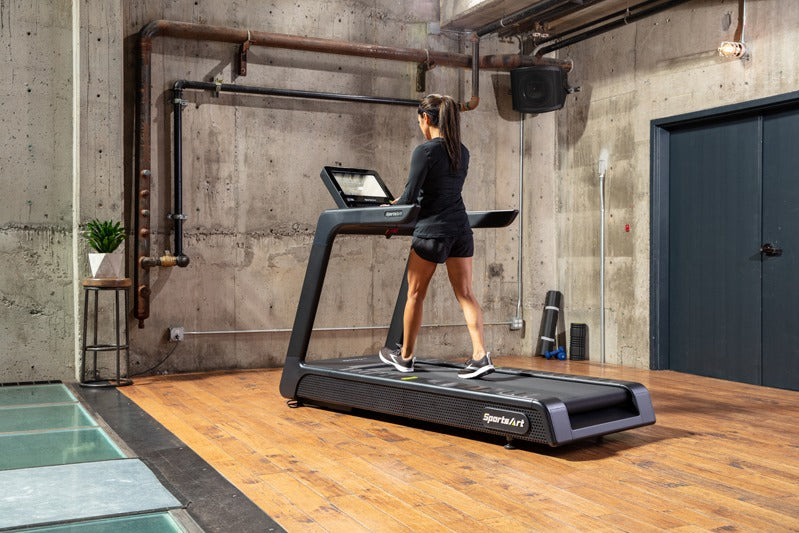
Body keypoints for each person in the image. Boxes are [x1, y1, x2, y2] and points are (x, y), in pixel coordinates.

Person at [378, 94, 494, 379]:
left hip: (431, 231)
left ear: (426, 119)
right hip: (460, 231)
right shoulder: (461, 151)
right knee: (466, 294)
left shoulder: (425, 151)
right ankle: (480, 355)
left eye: (419, 120)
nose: (420, 125)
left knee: (415, 294)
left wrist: (389, 207)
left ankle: (405, 358)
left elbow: (408, 197)